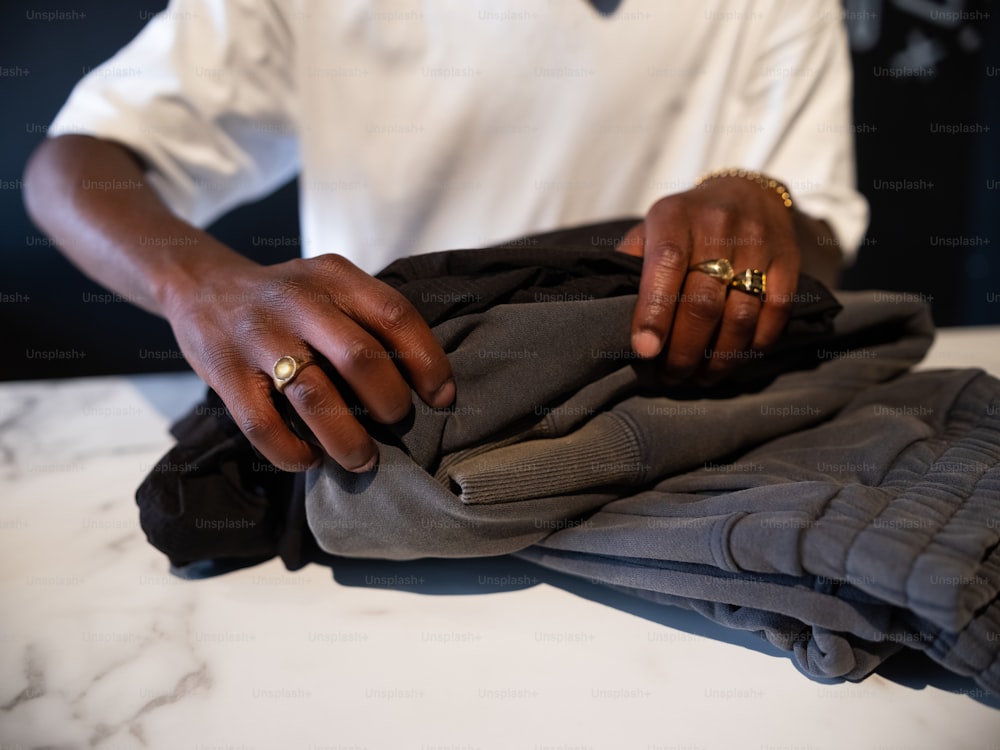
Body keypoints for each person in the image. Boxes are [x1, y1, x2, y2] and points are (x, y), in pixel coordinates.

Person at [23, 0, 867, 475]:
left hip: (668, 438)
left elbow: (819, 234)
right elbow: (73, 164)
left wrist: (759, 205)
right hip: (383, 431)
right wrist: (198, 285)